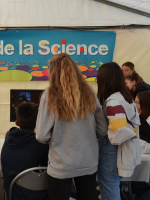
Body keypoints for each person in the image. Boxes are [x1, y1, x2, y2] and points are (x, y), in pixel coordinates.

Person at [36, 53, 108, 200]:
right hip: (88, 161)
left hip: (61, 164)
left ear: (53, 71)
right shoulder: (89, 93)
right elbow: (102, 130)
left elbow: (42, 136)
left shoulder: (49, 96)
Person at [96, 62, 141, 200]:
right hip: (121, 151)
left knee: (109, 193)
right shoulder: (126, 98)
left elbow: (119, 132)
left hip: (110, 151)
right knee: (112, 188)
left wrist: (103, 133)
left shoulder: (113, 101)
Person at [1, 103, 49, 200]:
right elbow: (48, 169)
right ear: (37, 123)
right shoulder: (41, 144)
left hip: (11, 193)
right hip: (35, 195)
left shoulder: (8, 137)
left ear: (16, 123)